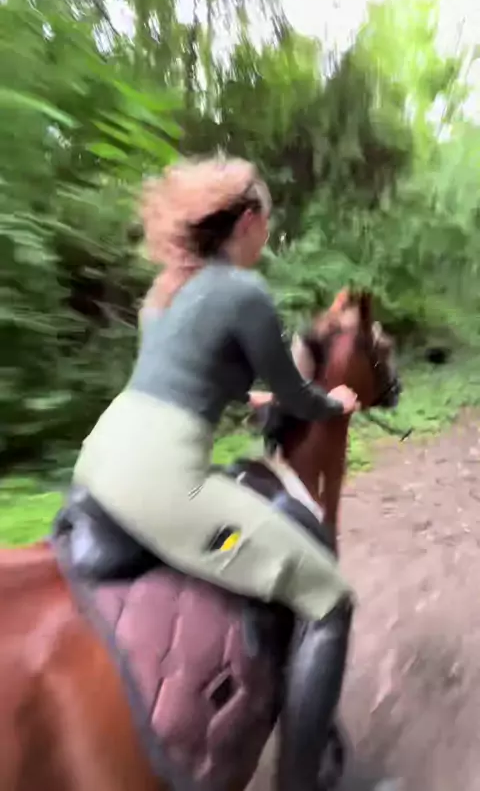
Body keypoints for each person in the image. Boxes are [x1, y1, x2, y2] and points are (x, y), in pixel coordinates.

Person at [73, 156, 358, 621]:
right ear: (248, 221)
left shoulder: (165, 291)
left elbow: (181, 374)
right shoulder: (245, 292)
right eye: (266, 223)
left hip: (98, 457)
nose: (267, 235)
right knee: (330, 595)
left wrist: (247, 397)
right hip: (160, 483)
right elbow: (297, 397)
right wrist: (336, 403)